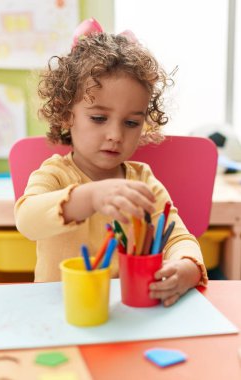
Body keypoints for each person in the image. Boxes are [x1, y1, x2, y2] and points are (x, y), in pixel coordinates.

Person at [15, 18, 207, 307]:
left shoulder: (142, 181)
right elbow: (28, 221)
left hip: (127, 313)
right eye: (99, 118)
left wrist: (187, 266)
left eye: (131, 122)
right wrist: (90, 197)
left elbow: (177, 237)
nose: (115, 135)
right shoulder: (54, 174)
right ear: (67, 114)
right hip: (59, 312)